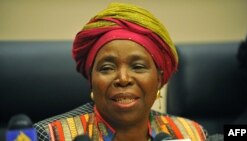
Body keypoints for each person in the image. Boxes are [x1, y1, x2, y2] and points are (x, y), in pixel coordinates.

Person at [34, 3, 207, 141]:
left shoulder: (193, 134)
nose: (123, 79)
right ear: (92, 79)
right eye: (107, 68)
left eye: (138, 67)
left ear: (159, 79)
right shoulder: (45, 136)